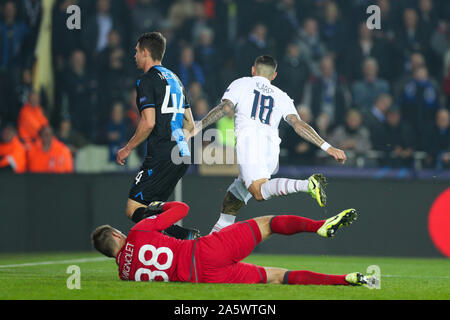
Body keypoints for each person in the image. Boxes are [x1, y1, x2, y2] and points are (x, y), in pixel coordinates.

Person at [191, 55, 347, 233]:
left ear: (252, 70)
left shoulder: (241, 83)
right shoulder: (282, 96)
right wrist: (327, 146)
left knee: (258, 192)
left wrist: (199, 125)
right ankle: (213, 241)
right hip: (271, 150)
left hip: (250, 144)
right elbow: (299, 124)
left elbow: (224, 108)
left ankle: (307, 185)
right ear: (274, 76)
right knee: (233, 199)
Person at [91, 201, 377, 287]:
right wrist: (158, 206)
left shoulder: (124, 274)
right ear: (117, 235)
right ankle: (318, 226)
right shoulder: (138, 233)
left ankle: (347, 279)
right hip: (204, 250)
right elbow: (182, 209)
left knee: (276, 277)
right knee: (267, 223)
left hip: (204, 279)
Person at [116, 32, 197, 240]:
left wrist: (127, 148)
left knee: (134, 208)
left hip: (162, 152)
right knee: (153, 213)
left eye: (136, 51)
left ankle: (185, 236)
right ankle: (169, 254)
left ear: (145, 52)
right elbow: (190, 123)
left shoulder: (146, 80)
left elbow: (149, 122)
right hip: (182, 155)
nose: (134, 55)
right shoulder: (176, 79)